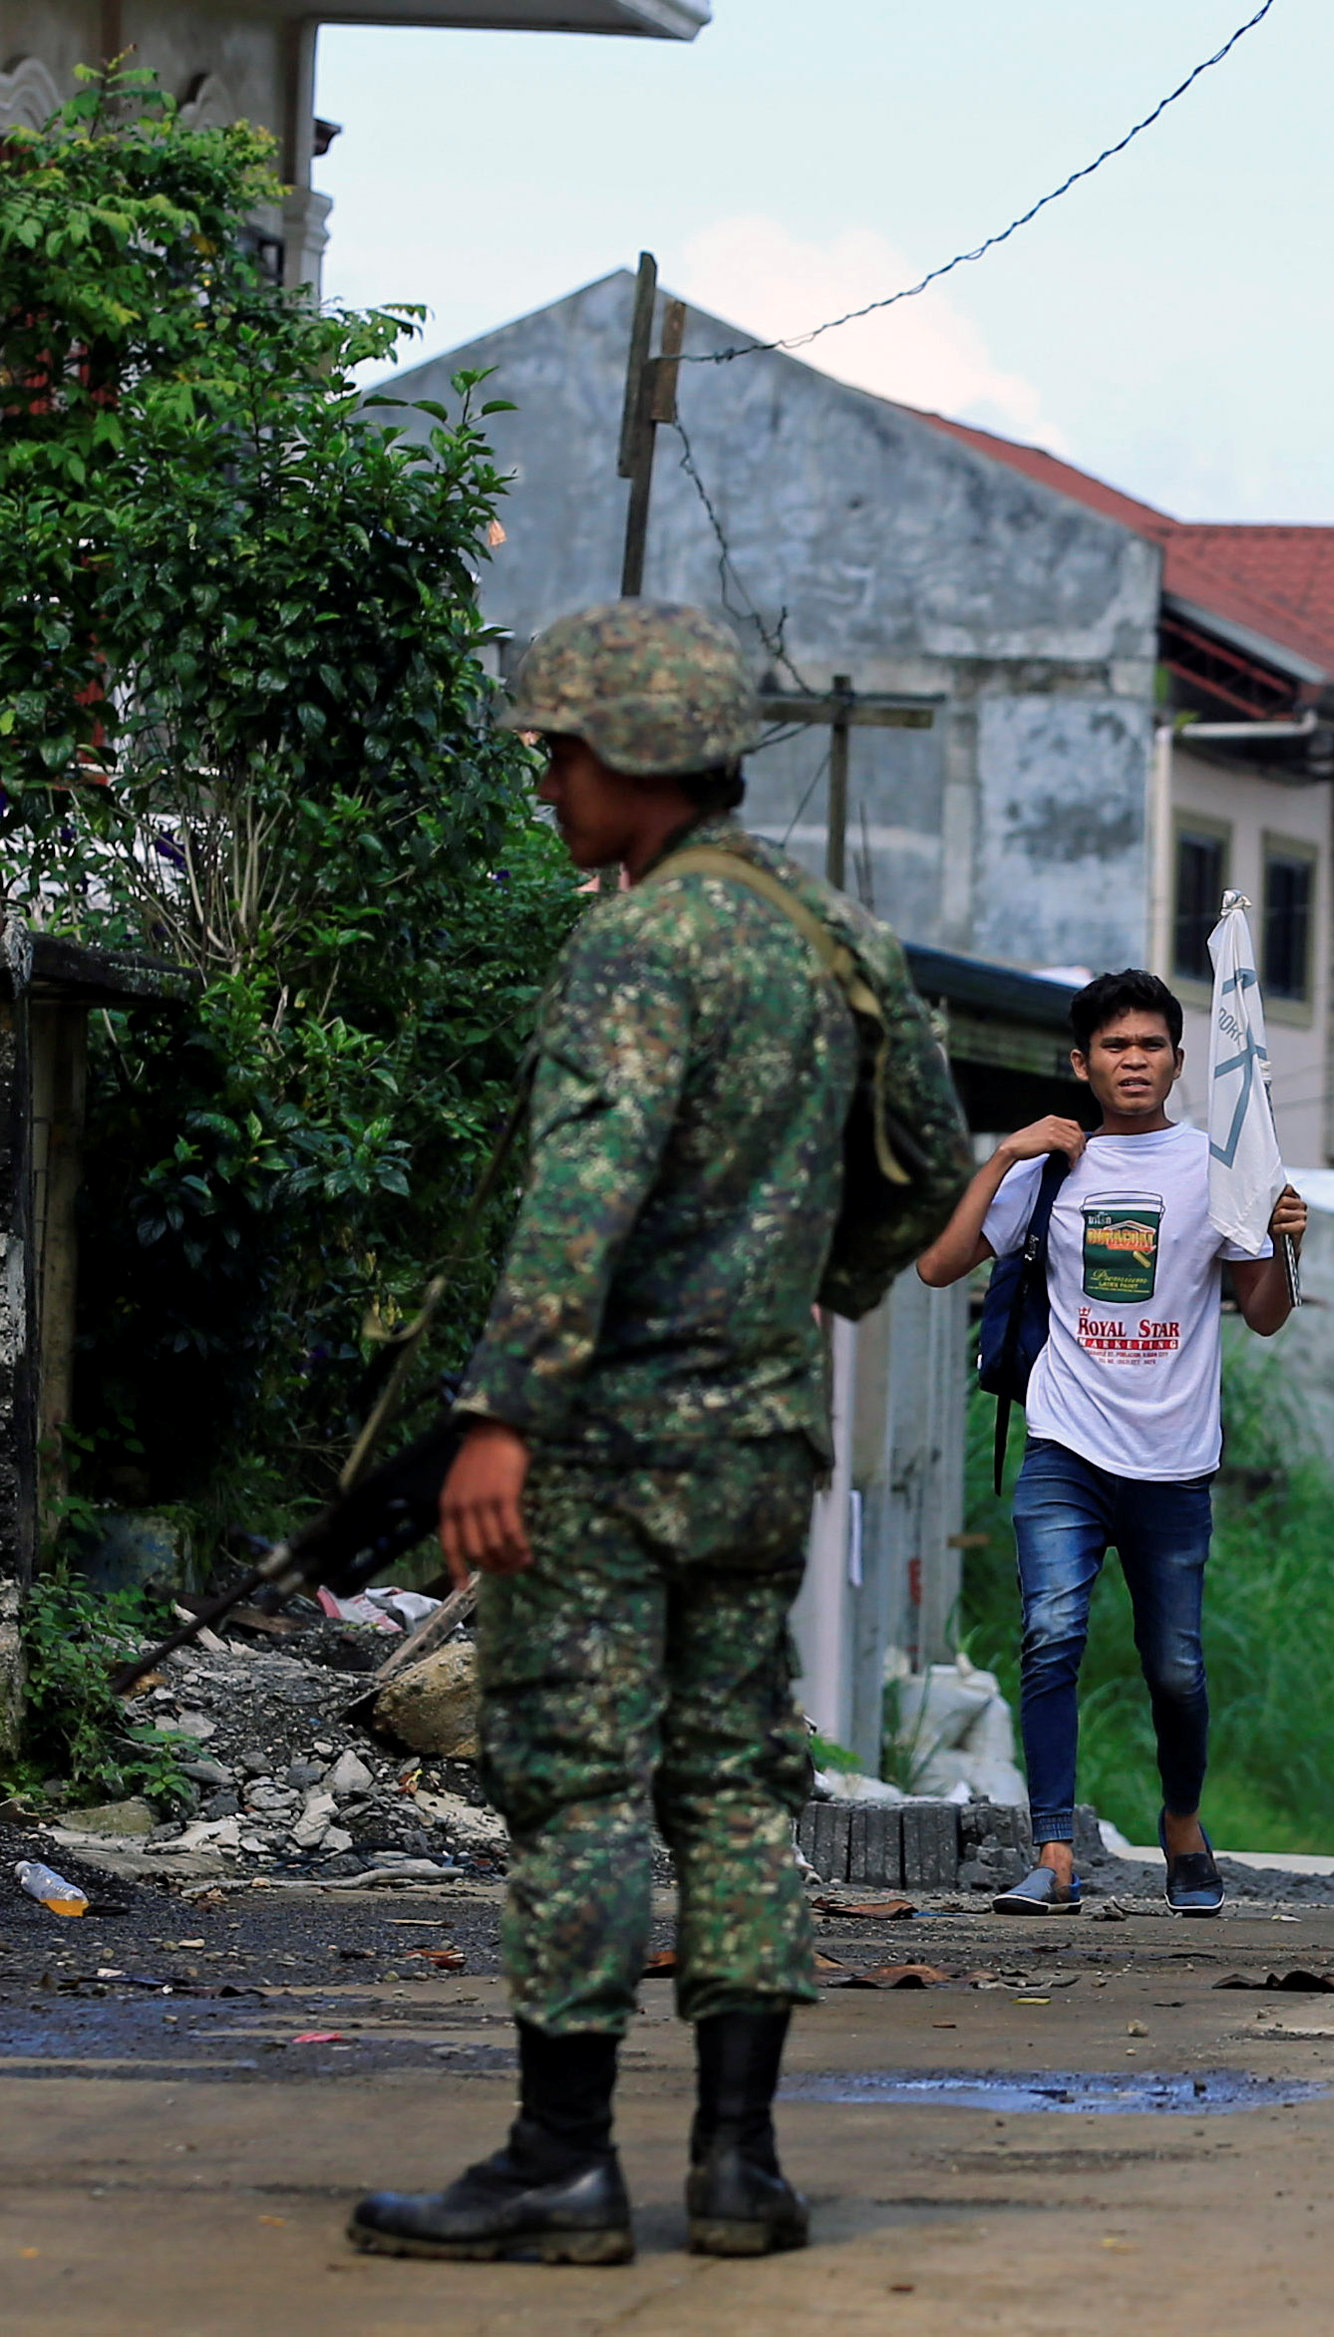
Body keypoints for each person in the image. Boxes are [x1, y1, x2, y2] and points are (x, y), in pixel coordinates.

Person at [351, 599, 962, 2266]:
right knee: (739, 1788)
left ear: (630, 757)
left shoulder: (639, 942)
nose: (545, 781)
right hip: (758, 1441)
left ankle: (562, 2161)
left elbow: (581, 1190)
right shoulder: (842, 938)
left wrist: (503, 1413)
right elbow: (926, 1165)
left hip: (609, 1453)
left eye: (558, 751)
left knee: (578, 1789)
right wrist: (799, 1299)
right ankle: (741, 2165)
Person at [913, 969, 1306, 1917]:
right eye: (1116, 1046)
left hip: (1173, 1460)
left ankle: (1180, 1824)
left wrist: (1292, 1241)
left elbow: (1262, 1315)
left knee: (1176, 1666)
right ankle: (1052, 1852)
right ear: (1082, 1063)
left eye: (1153, 1045)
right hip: (1066, 1444)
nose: (1136, 1060)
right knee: (1051, 1636)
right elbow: (937, 1265)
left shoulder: (1219, 1168)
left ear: (1177, 1059)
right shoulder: (1054, 1166)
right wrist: (1004, 1152)